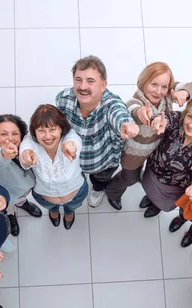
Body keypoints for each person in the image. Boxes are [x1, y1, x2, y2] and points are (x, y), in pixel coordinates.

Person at [105, 62, 192, 211]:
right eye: (153, 85)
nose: (159, 91)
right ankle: (112, 192)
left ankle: (140, 176)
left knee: (147, 174)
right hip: (135, 154)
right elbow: (133, 110)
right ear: (144, 82)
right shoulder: (135, 101)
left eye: (164, 87)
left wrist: (184, 93)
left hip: (157, 150)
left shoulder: (169, 93)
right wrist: (142, 113)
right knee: (129, 178)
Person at [56, 55, 139, 208]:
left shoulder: (111, 104)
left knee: (99, 180)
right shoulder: (63, 99)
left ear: (103, 85)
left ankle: (97, 189)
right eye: (78, 79)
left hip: (103, 163)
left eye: (90, 81)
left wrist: (126, 124)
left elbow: (119, 113)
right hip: (72, 161)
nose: (82, 86)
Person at [140, 96, 192, 218]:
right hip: (153, 170)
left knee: (162, 202)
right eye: (189, 116)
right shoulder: (178, 119)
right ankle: (150, 197)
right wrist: (159, 121)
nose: (191, 124)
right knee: (148, 189)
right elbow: (166, 119)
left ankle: (157, 206)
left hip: (173, 186)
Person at [19, 104, 87, 230]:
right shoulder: (29, 141)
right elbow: (25, 150)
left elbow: (74, 141)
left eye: (52, 129)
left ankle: (69, 213)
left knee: (72, 207)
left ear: (61, 128)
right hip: (45, 197)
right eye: (41, 131)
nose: (48, 136)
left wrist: (71, 146)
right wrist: (26, 155)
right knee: (52, 208)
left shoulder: (69, 136)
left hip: (76, 193)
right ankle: (54, 212)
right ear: (34, 132)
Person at [0, 114, 42, 237]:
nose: (10, 139)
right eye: (4, 134)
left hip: (25, 189)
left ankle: (23, 204)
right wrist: (3, 154)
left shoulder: (25, 147)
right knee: (9, 207)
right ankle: (11, 216)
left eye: (15, 134)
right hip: (7, 196)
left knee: (21, 199)